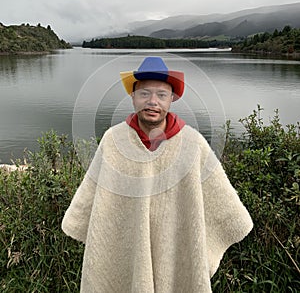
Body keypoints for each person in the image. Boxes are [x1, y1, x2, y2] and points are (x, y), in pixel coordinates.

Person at [62, 56, 253, 292]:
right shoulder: (113, 141)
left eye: (161, 95)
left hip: (174, 255)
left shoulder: (193, 144)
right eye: (144, 94)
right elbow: (93, 203)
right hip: (125, 255)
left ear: (171, 99)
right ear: (133, 97)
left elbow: (227, 210)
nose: (152, 102)